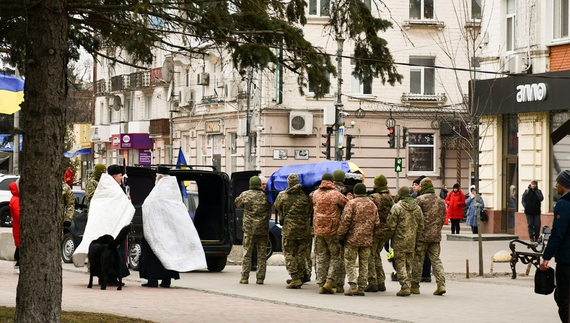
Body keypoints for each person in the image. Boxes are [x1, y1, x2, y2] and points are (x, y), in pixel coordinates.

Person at [140, 166, 206, 288]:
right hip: (170, 234)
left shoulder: (156, 194)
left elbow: (147, 206)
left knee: (153, 256)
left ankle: (152, 280)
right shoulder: (173, 195)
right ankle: (166, 280)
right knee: (170, 253)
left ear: (159, 177)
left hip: (156, 233)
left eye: (156, 177)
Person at [337, 183, 381, 296]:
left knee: (350, 261)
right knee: (364, 263)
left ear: (355, 193)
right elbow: (377, 223)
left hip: (352, 239)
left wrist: (340, 235)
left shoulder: (351, 204)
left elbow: (345, 221)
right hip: (367, 239)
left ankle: (353, 285)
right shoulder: (372, 205)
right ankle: (361, 287)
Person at [540, 170, 570, 323]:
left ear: (564, 185)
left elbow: (558, 234)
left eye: (558, 182)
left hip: (566, 260)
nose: (556, 185)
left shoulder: (564, 204)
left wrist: (546, 257)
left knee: (563, 299)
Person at [312, 172, 348, 294]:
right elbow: (347, 205)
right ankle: (329, 282)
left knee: (321, 257)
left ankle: (321, 283)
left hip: (318, 230)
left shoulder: (315, 194)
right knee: (336, 256)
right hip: (332, 230)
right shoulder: (336, 195)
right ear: (332, 182)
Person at [274, 173, 312, 289]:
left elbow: (276, 206)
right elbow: (310, 209)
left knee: (289, 253)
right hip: (304, 229)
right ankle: (301, 275)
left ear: (289, 183)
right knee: (301, 253)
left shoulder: (283, 195)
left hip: (289, 229)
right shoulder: (306, 196)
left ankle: (295, 277)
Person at [411, 177, 447, 296]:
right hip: (435, 236)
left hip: (422, 236)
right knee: (436, 260)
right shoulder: (440, 201)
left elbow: (415, 218)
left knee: (418, 260)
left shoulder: (419, 200)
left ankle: (415, 286)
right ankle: (441, 284)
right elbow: (443, 219)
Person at [385, 186, 423, 297]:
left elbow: (391, 226)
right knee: (408, 264)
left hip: (399, 240)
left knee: (400, 263)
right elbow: (421, 226)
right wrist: (416, 238)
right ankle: (409, 284)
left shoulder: (397, 208)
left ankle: (405, 286)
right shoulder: (417, 208)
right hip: (412, 241)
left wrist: (387, 239)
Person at [234, 176, 271, 284]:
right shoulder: (266, 196)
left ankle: (245, 277)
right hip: (263, 229)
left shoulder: (246, 195)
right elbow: (271, 206)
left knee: (247, 253)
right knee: (262, 254)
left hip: (249, 229)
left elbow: (237, 203)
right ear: (260, 184)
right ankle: (260, 278)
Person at [365, 174, 393, 293]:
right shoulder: (391, 197)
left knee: (370, 256)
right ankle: (381, 281)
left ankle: (373, 282)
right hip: (385, 232)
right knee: (376, 255)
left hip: (375, 230)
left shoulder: (374, 197)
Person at [106, 164, 130, 286]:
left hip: (113, 224)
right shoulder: (113, 189)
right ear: (114, 176)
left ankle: (112, 276)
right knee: (115, 252)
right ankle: (112, 277)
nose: (122, 178)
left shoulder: (107, 187)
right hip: (114, 225)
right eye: (120, 175)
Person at [412, 175, 432, 283]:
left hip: (422, 231)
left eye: (416, 185)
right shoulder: (436, 198)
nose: (414, 187)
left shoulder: (419, 199)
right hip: (433, 232)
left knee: (420, 255)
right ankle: (426, 274)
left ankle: (418, 277)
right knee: (430, 255)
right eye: (413, 185)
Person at [9, 180, 20, 274]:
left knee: (19, 246)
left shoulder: (15, 198)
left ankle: (17, 264)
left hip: (17, 226)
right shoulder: (16, 199)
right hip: (18, 226)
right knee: (19, 246)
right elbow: (18, 214)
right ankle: (17, 264)